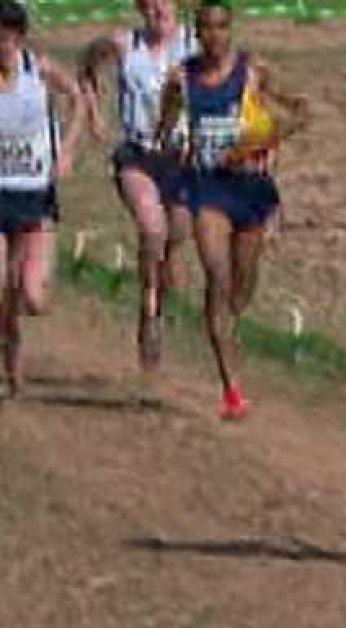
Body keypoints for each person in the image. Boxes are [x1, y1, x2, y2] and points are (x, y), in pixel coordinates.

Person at [155, 0, 308, 419]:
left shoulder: (253, 72)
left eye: (222, 27)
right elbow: (163, 130)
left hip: (252, 190)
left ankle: (226, 325)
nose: (214, 36)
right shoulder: (181, 79)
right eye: (206, 28)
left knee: (243, 286)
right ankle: (231, 389)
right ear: (196, 32)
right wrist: (173, 149)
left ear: (231, 30)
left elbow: (301, 110)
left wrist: (266, 140)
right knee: (217, 277)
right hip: (207, 190)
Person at [78, 0, 196, 371]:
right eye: (150, 3)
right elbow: (86, 67)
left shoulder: (194, 44)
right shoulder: (124, 44)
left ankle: (162, 285)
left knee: (175, 236)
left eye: (164, 2)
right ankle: (148, 312)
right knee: (151, 228)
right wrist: (94, 113)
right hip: (137, 155)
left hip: (182, 159)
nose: (157, 10)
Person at [0, 0, 85, 398]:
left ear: (19, 37)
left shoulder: (38, 69)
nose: (2, 42)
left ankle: (10, 335)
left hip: (32, 192)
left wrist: (66, 149)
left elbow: (77, 99)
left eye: (9, 35)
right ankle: (11, 359)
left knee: (29, 295)